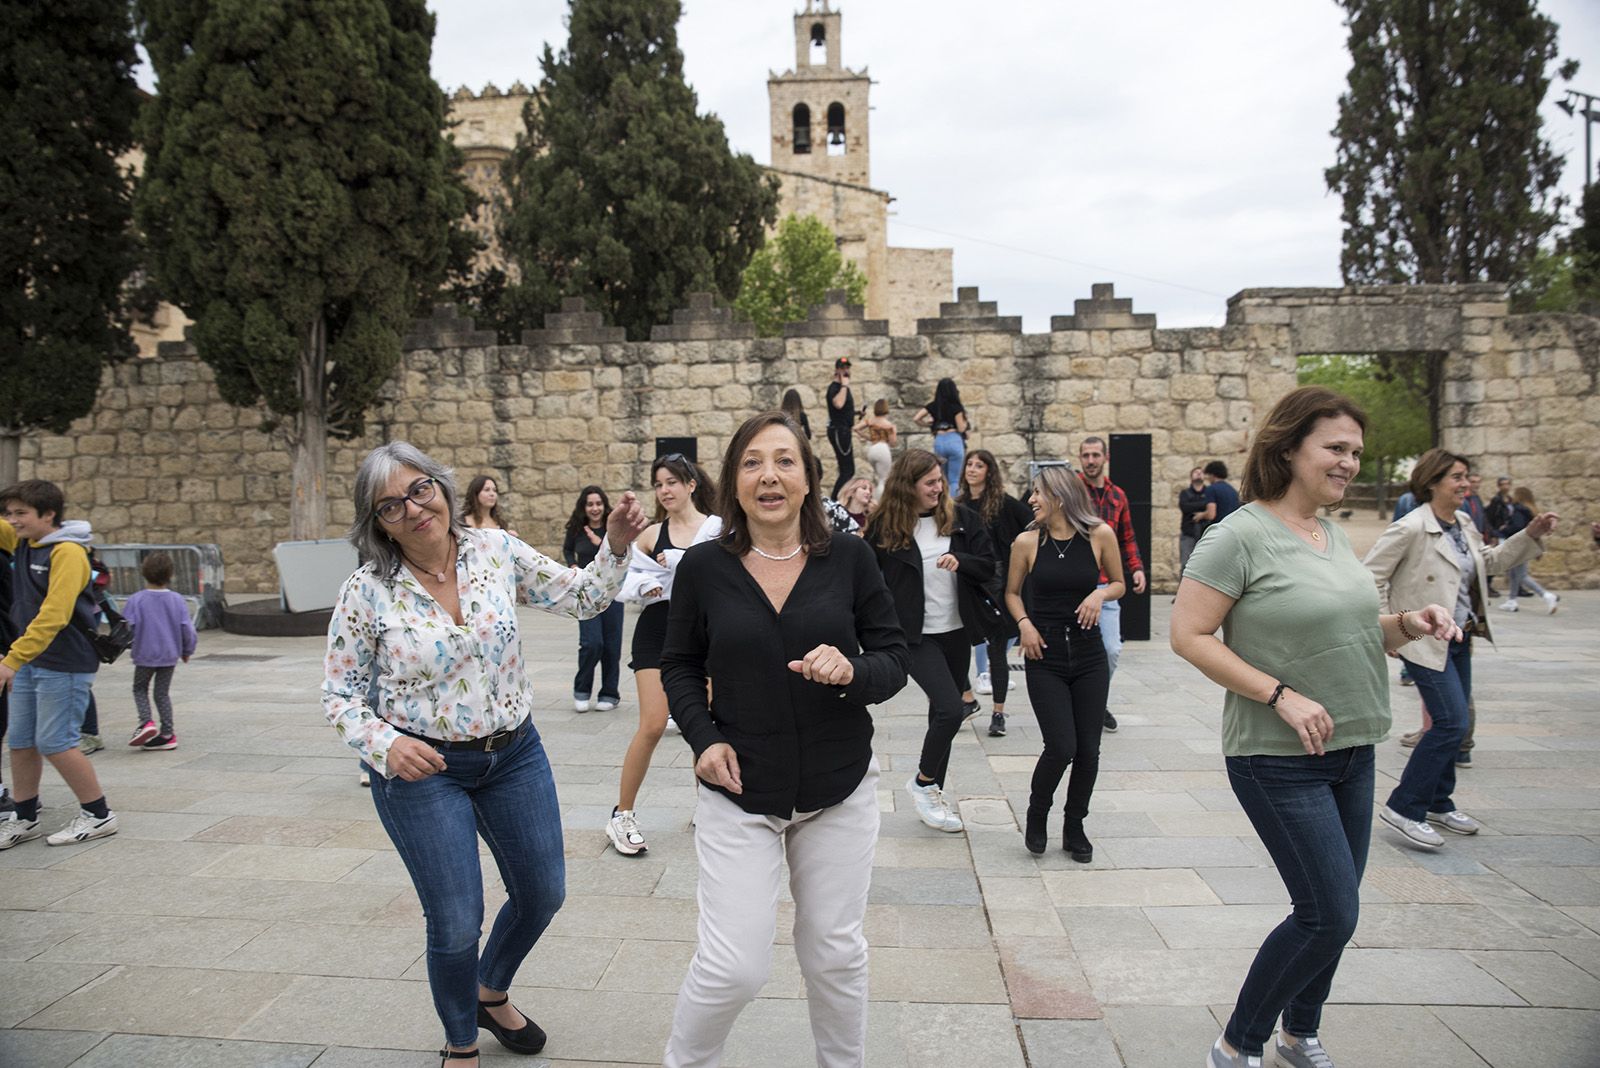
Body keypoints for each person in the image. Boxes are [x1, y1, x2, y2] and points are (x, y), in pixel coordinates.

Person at [322, 442, 646, 1068]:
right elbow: (339, 694)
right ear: (376, 523)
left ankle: (488, 989)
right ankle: (462, 1044)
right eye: (391, 506)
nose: (414, 510)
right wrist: (386, 744)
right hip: (424, 770)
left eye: (420, 490)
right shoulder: (365, 592)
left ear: (441, 487)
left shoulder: (495, 552)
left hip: (514, 754)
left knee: (542, 892)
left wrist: (616, 546)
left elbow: (583, 599)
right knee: (454, 919)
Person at [1170, 387, 1462, 1068]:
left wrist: (1405, 625)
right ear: (1289, 447)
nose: (1350, 463)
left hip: (1353, 748)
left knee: (1338, 913)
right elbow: (1189, 634)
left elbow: (1352, 626)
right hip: (1276, 756)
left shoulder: (1330, 533)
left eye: (1356, 452)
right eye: (1336, 448)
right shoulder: (1237, 534)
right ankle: (1237, 1042)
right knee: (1328, 912)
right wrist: (1280, 695)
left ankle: (1301, 1033)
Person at [659, 410, 909, 1068]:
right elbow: (679, 665)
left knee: (834, 953)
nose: (769, 474)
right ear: (732, 484)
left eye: (784, 460)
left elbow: (893, 658)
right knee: (732, 968)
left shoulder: (850, 559)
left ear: (808, 479)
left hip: (839, 788)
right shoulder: (704, 568)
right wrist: (702, 739)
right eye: (751, 462)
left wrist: (853, 670)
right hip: (738, 789)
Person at [1363, 449, 1555, 851]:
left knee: (1458, 721)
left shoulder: (1463, 522)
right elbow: (1371, 578)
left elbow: (1489, 562)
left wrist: (1530, 535)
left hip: (1461, 636)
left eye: (1467, 477)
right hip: (1424, 640)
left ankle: (1438, 801)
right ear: (1433, 481)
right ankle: (1404, 807)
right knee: (1450, 722)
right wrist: (1391, 628)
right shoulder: (1410, 527)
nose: (1465, 484)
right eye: (1457, 477)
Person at [867, 448, 995, 833]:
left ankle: (933, 792)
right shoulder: (884, 528)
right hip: (913, 637)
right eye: (930, 483)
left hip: (956, 631)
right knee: (951, 709)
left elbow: (988, 563)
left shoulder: (960, 520)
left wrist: (963, 562)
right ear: (909, 486)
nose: (939, 488)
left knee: (940, 714)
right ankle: (923, 783)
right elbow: (869, 583)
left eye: (940, 481)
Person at [1006, 464, 1123, 860]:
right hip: (1045, 656)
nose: (1031, 500)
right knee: (1061, 746)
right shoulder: (1025, 542)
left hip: (1090, 657)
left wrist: (1100, 596)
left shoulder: (1099, 535)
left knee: (1088, 750)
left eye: (1037, 493)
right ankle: (1038, 813)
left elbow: (1120, 582)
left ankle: (1075, 826)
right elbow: (1011, 593)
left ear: (1058, 496)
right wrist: (1024, 624)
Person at [609, 454, 721, 856]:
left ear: (691, 484)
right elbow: (624, 578)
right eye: (658, 484)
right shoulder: (651, 533)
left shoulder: (718, 530)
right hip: (657, 632)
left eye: (672, 481)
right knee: (654, 724)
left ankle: (710, 809)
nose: (665, 490)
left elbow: (729, 576)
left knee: (704, 724)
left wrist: (682, 563)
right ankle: (622, 814)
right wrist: (644, 587)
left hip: (705, 635)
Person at [0, 481, 120, 851]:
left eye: (21, 513)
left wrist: (11, 660)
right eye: (9, 513)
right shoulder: (23, 542)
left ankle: (99, 815)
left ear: (49, 514)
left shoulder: (67, 552)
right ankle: (23, 816)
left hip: (64, 661)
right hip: (31, 659)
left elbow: (55, 614)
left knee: (55, 742)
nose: (12, 520)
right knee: (20, 741)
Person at [957, 450, 1031, 736]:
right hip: (965, 582)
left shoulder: (1003, 504)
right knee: (954, 645)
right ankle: (966, 698)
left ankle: (998, 712)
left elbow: (1031, 524)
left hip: (996, 583)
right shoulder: (958, 504)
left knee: (997, 651)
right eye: (969, 464)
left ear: (989, 471)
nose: (972, 469)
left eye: (979, 465)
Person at [1076, 436, 1146, 733]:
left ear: (1105, 458)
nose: (1090, 460)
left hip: (1106, 586)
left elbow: (1126, 537)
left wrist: (1137, 568)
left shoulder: (1118, 496)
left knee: (1111, 649)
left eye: (1095, 455)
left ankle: (1096, 700)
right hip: (1073, 582)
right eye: (1085, 455)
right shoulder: (1072, 491)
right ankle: (1078, 702)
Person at [122, 552, 197, 751]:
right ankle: (167, 734)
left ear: (144, 573)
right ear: (170, 574)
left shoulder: (136, 600)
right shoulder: (177, 599)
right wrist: (187, 649)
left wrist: (125, 646)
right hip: (169, 654)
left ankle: (146, 722)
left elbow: (127, 627)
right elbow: (187, 628)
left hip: (145, 654)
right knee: (162, 693)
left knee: (140, 688)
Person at [562, 486, 624, 713]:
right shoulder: (577, 529)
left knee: (611, 646)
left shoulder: (612, 528)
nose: (595, 508)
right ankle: (582, 690)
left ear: (604, 505)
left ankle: (609, 693)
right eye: (590, 504)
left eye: (598, 503)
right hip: (586, 593)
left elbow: (623, 553)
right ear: (584, 507)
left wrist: (602, 545)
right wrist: (572, 565)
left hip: (612, 592)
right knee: (591, 643)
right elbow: (568, 550)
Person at [1497, 486, 1560, 614]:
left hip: (1519, 545)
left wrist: (1504, 529)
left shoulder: (1519, 509)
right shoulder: (1530, 510)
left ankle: (1546, 595)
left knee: (1521, 575)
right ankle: (1512, 601)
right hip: (1527, 545)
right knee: (1514, 574)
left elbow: (1517, 526)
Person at [912, 378, 968, 488]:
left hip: (939, 440)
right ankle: (953, 503)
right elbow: (961, 428)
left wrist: (929, 424)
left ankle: (942, 502)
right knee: (954, 479)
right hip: (954, 439)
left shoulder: (933, 405)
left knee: (942, 477)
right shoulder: (956, 407)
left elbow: (916, 418)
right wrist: (966, 424)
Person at [825, 356, 856, 496]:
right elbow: (838, 404)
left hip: (844, 430)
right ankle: (834, 501)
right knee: (847, 470)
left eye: (847, 368)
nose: (846, 370)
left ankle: (837, 500)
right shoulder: (835, 388)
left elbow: (844, 409)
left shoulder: (843, 388)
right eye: (843, 368)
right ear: (837, 370)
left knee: (847, 469)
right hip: (839, 431)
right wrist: (844, 385)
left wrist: (856, 413)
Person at [855, 397, 897, 493]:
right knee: (884, 479)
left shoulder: (870, 421)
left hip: (872, 449)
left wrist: (868, 437)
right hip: (883, 449)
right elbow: (893, 443)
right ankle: (881, 501)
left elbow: (856, 428)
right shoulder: (889, 425)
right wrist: (893, 432)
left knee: (877, 478)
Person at [1178, 465, 1209, 575]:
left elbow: (1210, 506)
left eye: (1201, 472)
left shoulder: (1209, 492)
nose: (1198, 474)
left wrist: (1199, 508)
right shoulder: (1185, 493)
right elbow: (1185, 507)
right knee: (1185, 564)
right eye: (1196, 472)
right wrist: (1203, 506)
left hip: (1204, 534)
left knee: (1206, 566)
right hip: (1188, 534)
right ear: (1191, 477)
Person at [1201, 460, 1242, 525]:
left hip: (1219, 527)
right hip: (1233, 526)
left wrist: (1201, 515)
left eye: (1208, 475)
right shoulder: (1232, 490)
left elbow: (1211, 515)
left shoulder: (1211, 489)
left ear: (1212, 475)